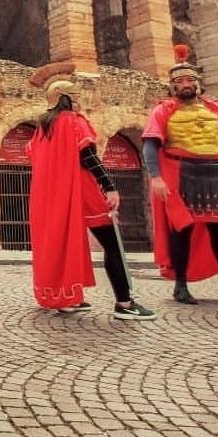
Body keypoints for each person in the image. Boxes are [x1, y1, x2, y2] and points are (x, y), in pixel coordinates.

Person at [26, 63, 155, 320]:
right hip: (84, 191)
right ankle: (125, 304)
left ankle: (63, 297)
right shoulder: (75, 122)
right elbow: (89, 157)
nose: (78, 102)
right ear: (66, 99)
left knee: (59, 244)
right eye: (74, 97)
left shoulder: (42, 128)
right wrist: (109, 187)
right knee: (113, 245)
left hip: (52, 197)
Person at [143, 44, 218, 307]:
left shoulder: (217, 110)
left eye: (189, 80)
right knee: (181, 231)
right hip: (181, 173)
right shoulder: (163, 110)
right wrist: (156, 177)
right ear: (172, 86)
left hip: (216, 174)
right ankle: (181, 286)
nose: (184, 85)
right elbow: (150, 145)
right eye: (179, 82)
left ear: (198, 84)